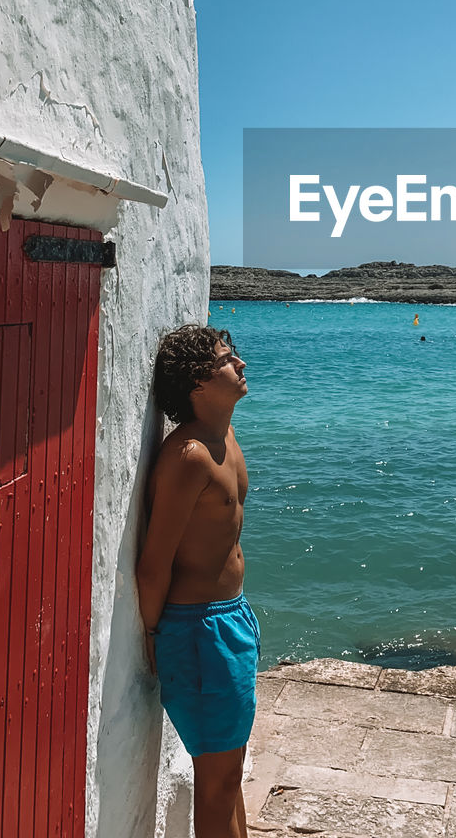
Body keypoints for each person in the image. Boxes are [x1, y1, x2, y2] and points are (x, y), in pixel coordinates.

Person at [137, 325, 258, 838]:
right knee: (216, 784)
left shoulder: (224, 436)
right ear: (196, 385)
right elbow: (154, 561)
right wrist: (151, 637)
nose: (241, 364)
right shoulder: (188, 457)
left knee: (229, 775)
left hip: (232, 619)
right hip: (199, 633)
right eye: (229, 360)